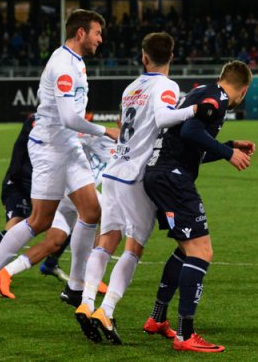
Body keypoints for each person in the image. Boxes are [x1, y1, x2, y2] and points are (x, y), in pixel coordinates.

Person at [0, 9, 120, 315]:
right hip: (51, 150)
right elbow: (68, 118)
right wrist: (106, 131)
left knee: (91, 211)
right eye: (97, 33)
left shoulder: (76, 62)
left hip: (68, 148)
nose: (100, 39)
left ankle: (75, 287)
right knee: (38, 221)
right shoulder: (64, 65)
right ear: (80, 33)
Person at [74, 32, 197, 345]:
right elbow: (164, 117)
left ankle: (87, 302)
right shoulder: (167, 86)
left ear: (144, 57)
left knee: (106, 241)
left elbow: (124, 123)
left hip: (114, 170)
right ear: (171, 56)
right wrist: (194, 109)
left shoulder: (132, 86)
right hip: (136, 177)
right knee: (134, 246)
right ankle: (107, 309)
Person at [143, 60, 254, 353]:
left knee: (185, 249)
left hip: (162, 173)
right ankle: (185, 334)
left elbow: (193, 150)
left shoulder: (204, 93)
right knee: (201, 251)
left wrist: (228, 144)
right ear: (243, 90)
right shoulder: (216, 100)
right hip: (172, 177)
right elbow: (191, 132)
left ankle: (157, 318)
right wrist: (229, 152)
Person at [0, 132, 113, 301]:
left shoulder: (135, 144)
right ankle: (88, 277)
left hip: (69, 195)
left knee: (54, 242)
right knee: (110, 218)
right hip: (73, 188)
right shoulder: (99, 136)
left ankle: (5, 272)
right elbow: (66, 135)